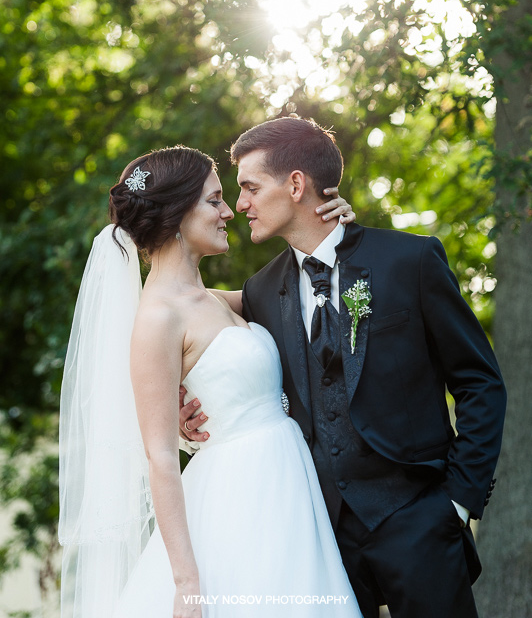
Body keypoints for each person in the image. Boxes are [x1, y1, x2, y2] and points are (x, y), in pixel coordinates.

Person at [181, 116, 507, 618]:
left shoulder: (409, 260)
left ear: (295, 185)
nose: (239, 203)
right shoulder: (261, 292)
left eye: (249, 187)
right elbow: (174, 309)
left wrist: (458, 503)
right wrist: (182, 407)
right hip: (321, 536)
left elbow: (479, 382)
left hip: (421, 521)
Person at [58, 144, 363, 618]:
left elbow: (302, 285)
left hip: (284, 487)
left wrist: (334, 229)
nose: (229, 212)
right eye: (214, 200)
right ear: (178, 214)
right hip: (238, 498)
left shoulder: (213, 299)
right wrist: (187, 583)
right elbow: (159, 454)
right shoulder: (157, 319)